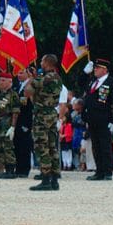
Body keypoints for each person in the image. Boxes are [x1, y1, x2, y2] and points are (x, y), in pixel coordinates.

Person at [28, 55, 65, 191]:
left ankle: (45, 179)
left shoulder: (45, 78)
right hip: (51, 114)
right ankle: (54, 179)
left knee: (42, 147)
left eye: (42, 61)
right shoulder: (57, 78)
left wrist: (31, 78)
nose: (40, 63)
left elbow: (27, 92)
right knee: (52, 147)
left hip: (42, 115)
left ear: (48, 63)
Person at [82, 59, 113, 181]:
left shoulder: (112, 83)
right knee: (96, 146)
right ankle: (99, 171)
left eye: (97, 68)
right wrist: (84, 73)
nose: (95, 70)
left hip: (104, 119)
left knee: (105, 146)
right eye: (95, 68)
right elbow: (81, 85)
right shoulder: (93, 81)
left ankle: (107, 171)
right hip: (92, 119)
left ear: (104, 69)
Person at [0, 74, 20, 178]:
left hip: (7, 122)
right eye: (0, 80)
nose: (0, 82)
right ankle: (5, 168)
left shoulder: (13, 94)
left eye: (3, 80)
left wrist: (13, 127)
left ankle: (11, 170)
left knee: (7, 147)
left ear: (9, 82)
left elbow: (15, 112)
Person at [13, 66, 35, 178]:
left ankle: (24, 169)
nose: (19, 75)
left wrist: (28, 124)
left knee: (24, 146)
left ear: (28, 74)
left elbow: (31, 106)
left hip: (25, 120)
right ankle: (18, 168)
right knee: (17, 145)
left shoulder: (30, 85)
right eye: (18, 73)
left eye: (21, 73)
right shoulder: (17, 86)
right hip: (17, 120)